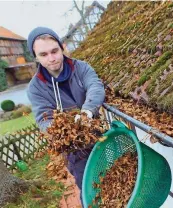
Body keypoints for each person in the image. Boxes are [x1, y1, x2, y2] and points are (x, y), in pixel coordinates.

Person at [26, 27, 105, 202]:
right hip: (73, 149)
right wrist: (64, 129)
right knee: (89, 189)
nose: (51, 58)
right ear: (36, 57)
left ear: (62, 47)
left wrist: (86, 112)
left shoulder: (81, 67)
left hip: (98, 134)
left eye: (54, 51)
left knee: (112, 176)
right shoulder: (35, 88)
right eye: (44, 54)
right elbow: (43, 118)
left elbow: (95, 86)